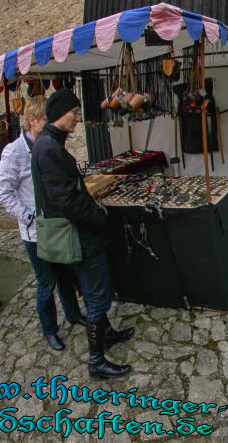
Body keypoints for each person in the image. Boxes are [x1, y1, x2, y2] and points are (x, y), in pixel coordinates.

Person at [31, 89, 134, 379]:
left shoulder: (48, 144)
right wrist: (98, 216)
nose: (78, 117)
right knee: (97, 294)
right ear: (60, 112)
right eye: (74, 112)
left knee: (94, 291)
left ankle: (108, 334)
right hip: (80, 236)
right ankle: (96, 360)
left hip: (81, 232)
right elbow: (65, 201)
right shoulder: (49, 148)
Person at [0, 95, 86, 351]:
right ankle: (50, 330)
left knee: (66, 277)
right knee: (47, 283)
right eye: (47, 119)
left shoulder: (50, 144)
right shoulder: (13, 152)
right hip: (36, 233)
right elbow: (3, 192)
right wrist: (30, 217)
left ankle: (74, 315)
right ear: (32, 120)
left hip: (57, 227)